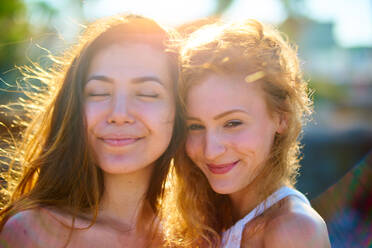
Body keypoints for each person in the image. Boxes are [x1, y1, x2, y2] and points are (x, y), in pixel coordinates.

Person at [0, 14, 183, 247]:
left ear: (179, 110)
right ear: (75, 107)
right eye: (98, 92)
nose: (119, 114)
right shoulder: (33, 232)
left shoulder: (195, 235)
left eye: (147, 93)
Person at [161, 19, 331, 247]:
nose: (211, 150)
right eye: (195, 126)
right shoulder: (199, 217)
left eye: (232, 123)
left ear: (282, 118)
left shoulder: (292, 230)